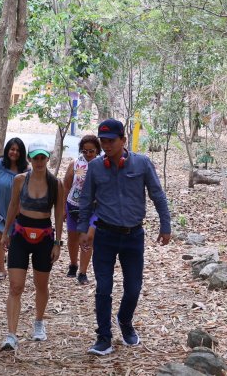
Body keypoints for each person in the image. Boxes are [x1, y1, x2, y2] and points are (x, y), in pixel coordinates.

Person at [76, 118, 171, 356]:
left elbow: (157, 195)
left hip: (133, 236)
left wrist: (165, 224)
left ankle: (125, 321)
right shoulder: (96, 167)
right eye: (103, 141)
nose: (106, 145)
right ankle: (103, 337)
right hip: (105, 235)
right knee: (103, 288)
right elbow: (86, 200)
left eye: (110, 141)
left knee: (133, 288)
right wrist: (82, 231)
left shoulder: (142, 164)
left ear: (123, 140)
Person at [0, 147, 65, 351]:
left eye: (43, 158)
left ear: (47, 159)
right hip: (20, 234)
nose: (39, 161)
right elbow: (12, 205)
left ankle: (38, 322)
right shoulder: (20, 180)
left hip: (44, 237)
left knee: (41, 284)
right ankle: (11, 335)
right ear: (29, 159)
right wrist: (5, 232)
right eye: (35, 158)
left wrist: (58, 243)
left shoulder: (56, 183)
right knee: (15, 286)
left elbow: (60, 212)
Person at [0, 137, 27, 280]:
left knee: (15, 240)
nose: (14, 152)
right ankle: (1, 269)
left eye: (18, 150)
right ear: (7, 150)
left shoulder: (26, 170)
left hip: (17, 211)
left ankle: (14, 269)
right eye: (12, 149)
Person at [62, 134, 101, 284]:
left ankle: (83, 272)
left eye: (91, 151)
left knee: (88, 238)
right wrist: (63, 208)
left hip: (94, 208)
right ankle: (73, 264)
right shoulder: (76, 164)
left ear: (97, 150)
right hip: (73, 205)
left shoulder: (103, 165)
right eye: (85, 151)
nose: (88, 154)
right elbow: (66, 185)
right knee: (72, 237)